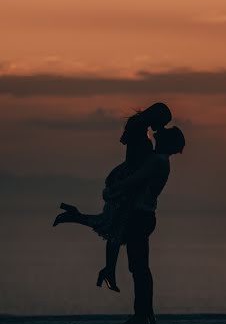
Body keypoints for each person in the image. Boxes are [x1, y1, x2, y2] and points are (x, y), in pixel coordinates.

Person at [53, 103, 172, 292]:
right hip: (127, 180)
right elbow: (137, 161)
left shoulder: (137, 126)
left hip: (125, 176)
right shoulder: (140, 132)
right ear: (156, 117)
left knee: (115, 224)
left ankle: (107, 267)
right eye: (163, 122)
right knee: (116, 226)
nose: (162, 127)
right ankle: (108, 270)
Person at [108, 125, 185, 324]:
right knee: (140, 268)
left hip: (140, 217)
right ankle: (146, 316)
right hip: (144, 216)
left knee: (139, 268)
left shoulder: (157, 161)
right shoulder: (159, 161)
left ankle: (142, 317)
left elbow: (135, 180)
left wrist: (113, 189)